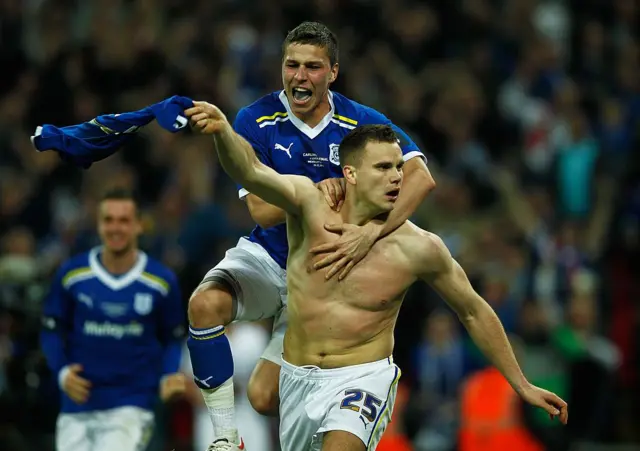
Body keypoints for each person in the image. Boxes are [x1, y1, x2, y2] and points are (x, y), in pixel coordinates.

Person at [185, 103, 569, 451]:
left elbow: (473, 311)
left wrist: (522, 385)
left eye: (399, 167)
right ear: (349, 173)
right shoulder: (308, 204)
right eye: (384, 168)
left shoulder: (418, 247)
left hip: (363, 377)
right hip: (299, 378)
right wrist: (223, 133)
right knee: (261, 394)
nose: (397, 178)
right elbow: (250, 172)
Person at [185, 21, 435, 450]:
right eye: (292, 65)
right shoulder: (255, 118)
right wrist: (312, 191)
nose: (300, 76)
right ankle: (226, 439)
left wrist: (373, 231)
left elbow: (421, 178)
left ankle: (345, 414)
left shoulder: (360, 121)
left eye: (313, 67)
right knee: (204, 305)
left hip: (325, 272)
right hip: (271, 257)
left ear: (332, 72)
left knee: (264, 396)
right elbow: (261, 210)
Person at [40, 188, 187, 451]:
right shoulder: (72, 274)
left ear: (139, 225)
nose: (115, 228)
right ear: (98, 224)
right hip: (77, 404)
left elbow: (173, 337)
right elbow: (51, 330)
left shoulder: (161, 281)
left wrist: (169, 374)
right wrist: (62, 373)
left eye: (124, 220)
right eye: (108, 220)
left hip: (132, 404)